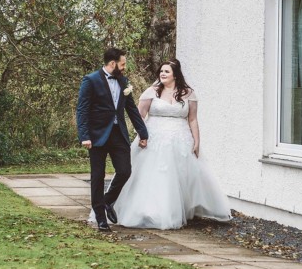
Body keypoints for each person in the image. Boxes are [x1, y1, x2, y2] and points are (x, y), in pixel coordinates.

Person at [112, 58, 231, 229]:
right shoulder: (151, 92)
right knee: (153, 175)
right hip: (154, 138)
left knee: (181, 175)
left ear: (175, 75)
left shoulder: (188, 93)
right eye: (161, 71)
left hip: (180, 138)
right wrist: (141, 136)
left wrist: (197, 141)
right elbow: (139, 116)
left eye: (166, 71)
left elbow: (192, 119)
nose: (162, 74)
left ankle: (178, 209)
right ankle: (150, 211)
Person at [76, 47, 149, 232]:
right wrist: (84, 136)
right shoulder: (90, 80)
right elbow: (82, 110)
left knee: (125, 171)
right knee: (97, 177)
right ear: (112, 63)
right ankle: (101, 218)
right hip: (97, 136)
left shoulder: (123, 81)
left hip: (118, 134)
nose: (124, 68)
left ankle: (106, 202)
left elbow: (131, 108)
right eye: (122, 64)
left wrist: (143, 132)